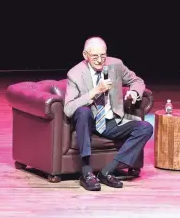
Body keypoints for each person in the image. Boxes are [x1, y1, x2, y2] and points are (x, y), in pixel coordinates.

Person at [64, 36, 153, 191]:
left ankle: (108, 171)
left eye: (103, 56)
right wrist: (94, 92)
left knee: (146, 127)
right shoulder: (75, 74)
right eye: (95, 57)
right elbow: (69, 108)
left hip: (111, 120)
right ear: (86, 56)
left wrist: (134, 93)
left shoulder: (115, 65)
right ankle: (86, 172)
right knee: (83, 112)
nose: (100, 60)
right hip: (89, 121)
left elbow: (137, 81)